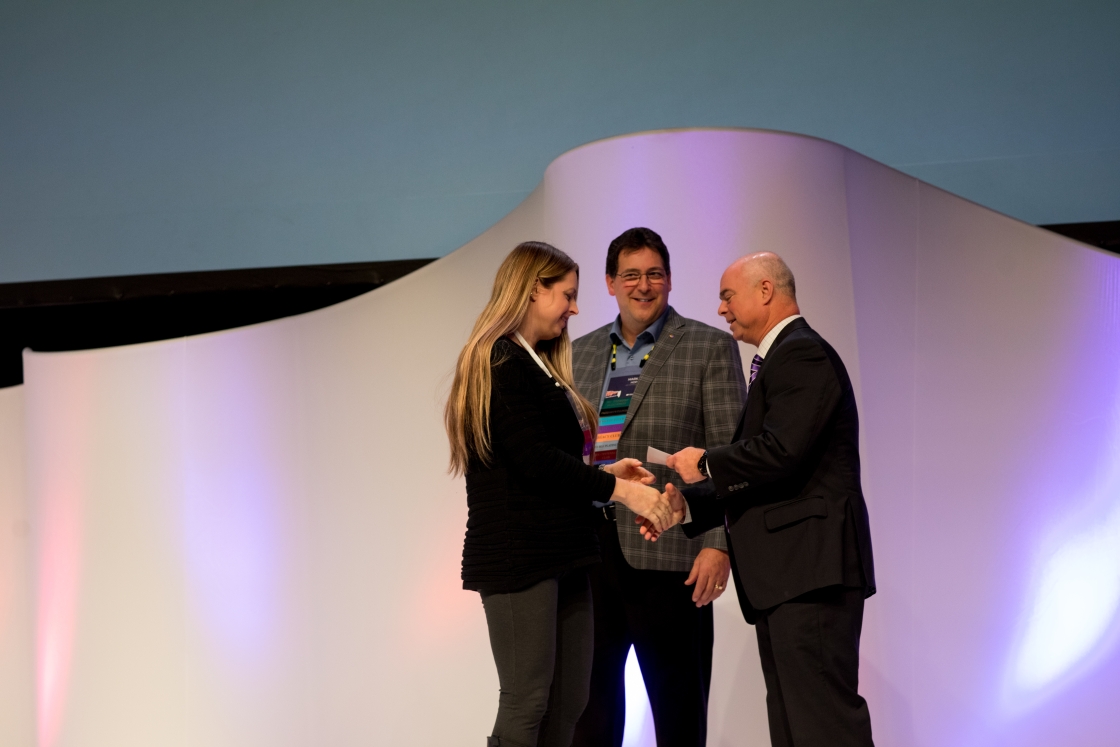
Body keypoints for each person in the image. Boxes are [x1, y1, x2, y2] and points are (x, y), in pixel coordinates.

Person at [446, 241, 674, 747]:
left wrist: (606, 472)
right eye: (567, 295)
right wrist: (620, 490)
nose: (575, 308)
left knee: (569, 702)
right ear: (533, 290)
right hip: (519, 556)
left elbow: (548, 461)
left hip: (565, 552)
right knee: (527, 702)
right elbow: (536, 462)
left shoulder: (538, 363)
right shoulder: (498, 359)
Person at [651, 252, 877, 747]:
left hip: (810, 573)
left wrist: (706, 462)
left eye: (728, 296)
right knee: (796, 729)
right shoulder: (780, 360)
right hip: (790, 578)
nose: (721, 309)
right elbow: (764, 474)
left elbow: (781, 452)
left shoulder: (801, 353)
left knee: (823, 727)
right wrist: (689, 506)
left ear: (766, 290)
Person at [570, 228, 746, 747]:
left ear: (669, 280)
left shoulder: (709, 347)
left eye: (654, 274)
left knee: (679, 712)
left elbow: (729, 456)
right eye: (630, 275)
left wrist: (718, 544)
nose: (643, 285)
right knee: (589, 714)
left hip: (670, 550)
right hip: (587, 551)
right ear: (610, 283)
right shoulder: (578, 353)